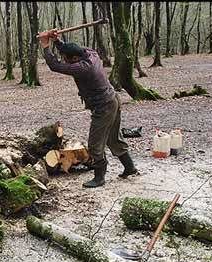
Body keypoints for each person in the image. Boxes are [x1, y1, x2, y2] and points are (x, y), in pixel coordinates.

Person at [38, 30, 138, 188]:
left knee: (94, 145)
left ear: (75, 59)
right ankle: (130, 168)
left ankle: (99, 177)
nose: (66, 61)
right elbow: (71, 50)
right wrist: (57, 41)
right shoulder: (90, 53)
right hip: (112, 99)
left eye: (67, 59)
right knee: (113, 138)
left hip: (104, 106)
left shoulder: (83, 68)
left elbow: (54, 66)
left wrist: (45, 45)